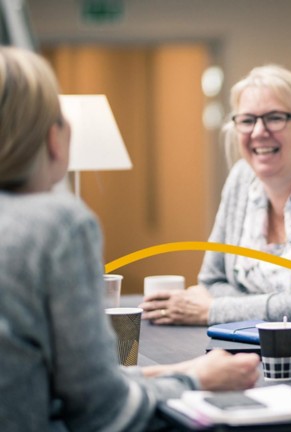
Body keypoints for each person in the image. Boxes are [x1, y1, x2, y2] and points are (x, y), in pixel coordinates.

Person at [0, 47, 260, 432]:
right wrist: (195, 380)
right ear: (54, 138)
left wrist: (179, 369)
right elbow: (102, 410)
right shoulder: (57, 227)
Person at [140, 65, 291, 325]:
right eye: (247, 120)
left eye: (275, 117)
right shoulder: (242, 179)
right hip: (248, 345)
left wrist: (214, 310)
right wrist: (278, 303)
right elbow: (210, 282)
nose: (258, 132)